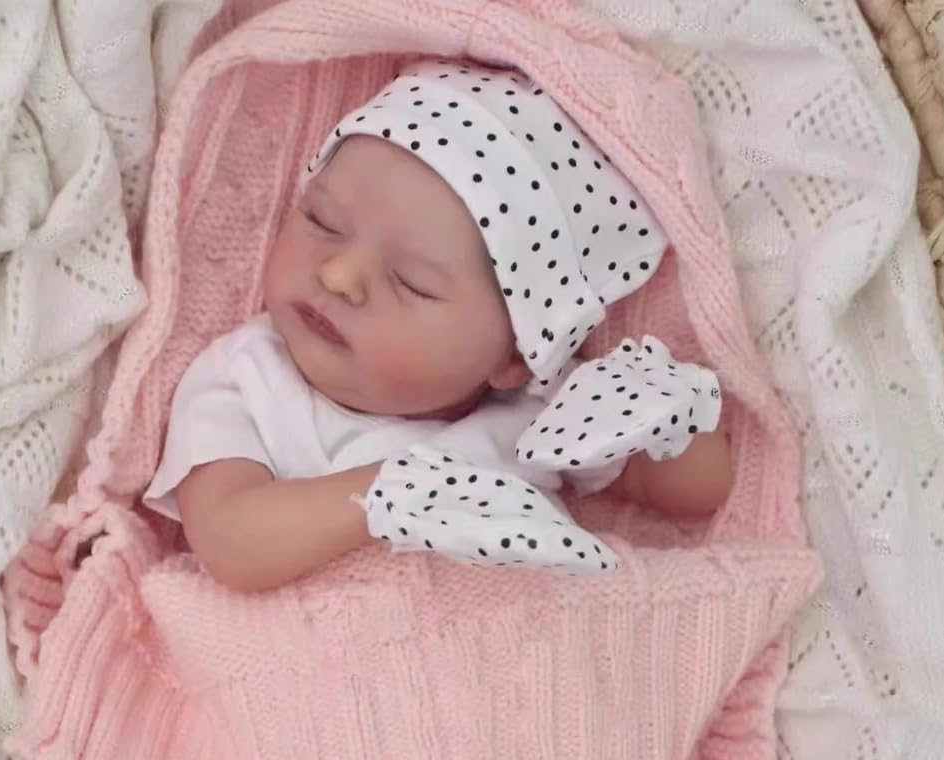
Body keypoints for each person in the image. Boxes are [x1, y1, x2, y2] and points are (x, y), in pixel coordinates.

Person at [144, 60, 733, 592]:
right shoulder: (244, 379)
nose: (340, 275)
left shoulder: (541, 416)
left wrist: (657, 417)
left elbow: (703, 488)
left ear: (516, 356)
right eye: (323, 222)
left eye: (411, 282)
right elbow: (228, 540)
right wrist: (387, 495)